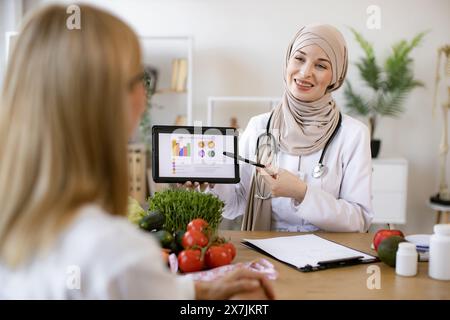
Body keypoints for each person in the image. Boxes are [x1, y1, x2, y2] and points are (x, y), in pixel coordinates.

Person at [0, 4, 274, 300]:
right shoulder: (118, 253)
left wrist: (200, 290)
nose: (145, 95)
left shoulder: (18, 226)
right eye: (137, 80)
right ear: (106, 102)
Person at [206, 24, 373, 232]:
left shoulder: (353, 134)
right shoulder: (260, 127)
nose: (305, 73)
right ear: (287, 61)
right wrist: (213, 182)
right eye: (299, 59)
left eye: (321, 66)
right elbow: (235, 205)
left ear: (336, 77)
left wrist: (302, 193)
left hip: (329, 255)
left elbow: (359, 220)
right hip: (268, 252)